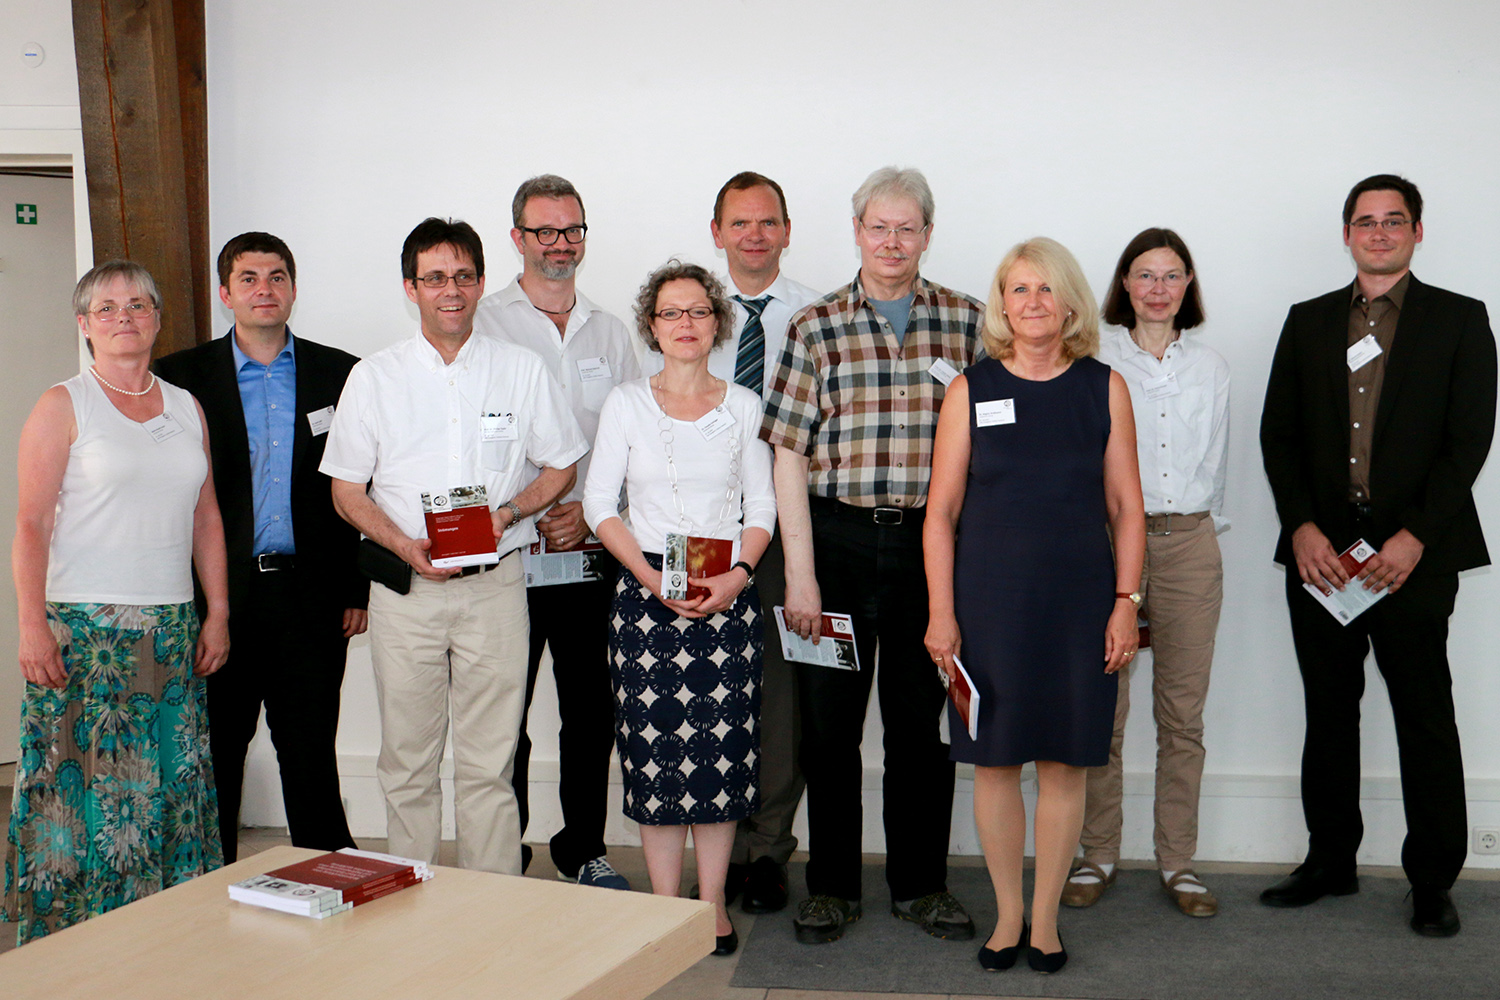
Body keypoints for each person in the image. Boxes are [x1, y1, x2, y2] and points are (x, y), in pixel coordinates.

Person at [1259, 175, 1496, 937]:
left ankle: (1432, 880)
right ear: (1347, 234)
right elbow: (1280, 435)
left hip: (1412, 558)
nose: (1381, 231)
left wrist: (1415, 536)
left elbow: (1468, 441)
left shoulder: (1461, 320)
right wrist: (1300, 527)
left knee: (1424, 717)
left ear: (1418, 232)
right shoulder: (1307, 323)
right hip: (1324, 559)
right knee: (1328, 715)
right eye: (1367, 221)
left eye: (1396, 221)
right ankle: (1331, 860)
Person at [321, 218, 587, 874]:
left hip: (495, 588)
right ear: (410, 287)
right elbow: (347, 492)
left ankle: (487, 913)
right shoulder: (374, 378)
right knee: (407, 761)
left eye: (464, 276)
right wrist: (403, 545)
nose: (452, 290)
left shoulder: (519, 371)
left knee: (488, 766)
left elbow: (561, 468)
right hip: (405, 592)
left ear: (481, 283)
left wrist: (506, 514)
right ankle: (411, 906)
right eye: (435, 277)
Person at [762, 166, 983, 945]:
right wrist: (800, 571)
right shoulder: (815, 326)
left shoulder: (968, 323)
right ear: (856, 232)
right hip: (838, 543)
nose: (893, 242)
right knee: (828, 730)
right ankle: (831, 888)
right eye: (878, 227)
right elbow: (787, 454)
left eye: (908, 228)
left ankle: (921, 885)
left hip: (931, 548)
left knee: (921, 728)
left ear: (927, 234)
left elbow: (993, 449)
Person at [924, 237, 1145, 974]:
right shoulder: (970, 389)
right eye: (1019, 290)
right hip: (988, 607)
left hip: (1081, 603)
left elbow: (1127, 508)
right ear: (1002, 304)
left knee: (1064, 764)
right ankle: (1007, 916)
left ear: (1071, 302)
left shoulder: (1103, 388)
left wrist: (1126, 604)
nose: (1033, 303)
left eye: (1047, 290)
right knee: (992, 762)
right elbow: (940, 512)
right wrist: (941, 614)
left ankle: (1045, 921)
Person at [4, 261, 229, 944]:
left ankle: (165, 933)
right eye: (105, 308)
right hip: (84, 634)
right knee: (82, 795)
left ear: (158, 318)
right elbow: (32, 524)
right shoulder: (62, 404)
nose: (123, 316)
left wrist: (216, 611)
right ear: (84, 326)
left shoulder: (187, 407)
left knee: (167, 787)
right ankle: (72, 942)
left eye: (137, 304)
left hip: (169, 629)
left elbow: (207, 519)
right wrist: (31, 624)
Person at [583, 261, 776, 958]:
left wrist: (738, 577)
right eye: (671, 313)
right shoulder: (627, 405)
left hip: (727, 605)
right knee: (657, 759)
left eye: (698, 311)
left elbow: (764, 505)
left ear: (717, 323)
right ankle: (665, 912)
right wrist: (645, 576)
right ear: (653, 326)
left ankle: (712, 905)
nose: (686, 323)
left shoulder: (745, 406)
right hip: (646, 607)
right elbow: (599, 506)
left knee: (719, 761)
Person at [156, 232, 367, 864]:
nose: (264, 289)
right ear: (226, 294)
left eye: (277, 276)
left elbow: (361, 486)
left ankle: (327, 873)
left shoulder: (342, 373)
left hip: (311, 594)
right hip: (221, 597)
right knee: (217, 747)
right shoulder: (181, 377)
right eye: (248, 278)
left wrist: (355, 587)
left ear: (294, 290)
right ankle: (205, 882)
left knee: (309, 748)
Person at [473, 175, 640, 889]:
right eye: (545, 231)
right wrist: (537, 510)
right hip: (511, 553)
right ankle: (501, 845)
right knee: (503, 709)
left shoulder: (610, 329)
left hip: (590, 554)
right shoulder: (482, 322)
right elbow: (474, 442)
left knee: (589, 709)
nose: (560, 244)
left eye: (572, 230)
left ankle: (582, 846)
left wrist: (592, 513)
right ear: (517, 238)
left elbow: (631, 436)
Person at [1065, 228, 1229, 917]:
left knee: (1182, 716)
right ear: (1124, 285)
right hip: (1109, 546)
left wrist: (1187, 536)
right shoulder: (1094, 361)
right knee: (1104, 709)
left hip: (1190, 543)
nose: (1158, 288)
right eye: (1145, 275)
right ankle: (1097, 852)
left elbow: (1215, 468)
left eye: (1171, 275)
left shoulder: (1211, 367)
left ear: (1187, 286)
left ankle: (1178, 862)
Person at [696, 171, 819, 912]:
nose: (753, 235)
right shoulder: (687, 309)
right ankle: (714, 841)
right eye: (739, 223)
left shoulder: (818, 313)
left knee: (778, 696)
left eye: (767, 222)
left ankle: (766, 849)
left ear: (786, 229)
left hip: (786, 527)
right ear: (717, 232)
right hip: (703, 529)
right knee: (710, 689)